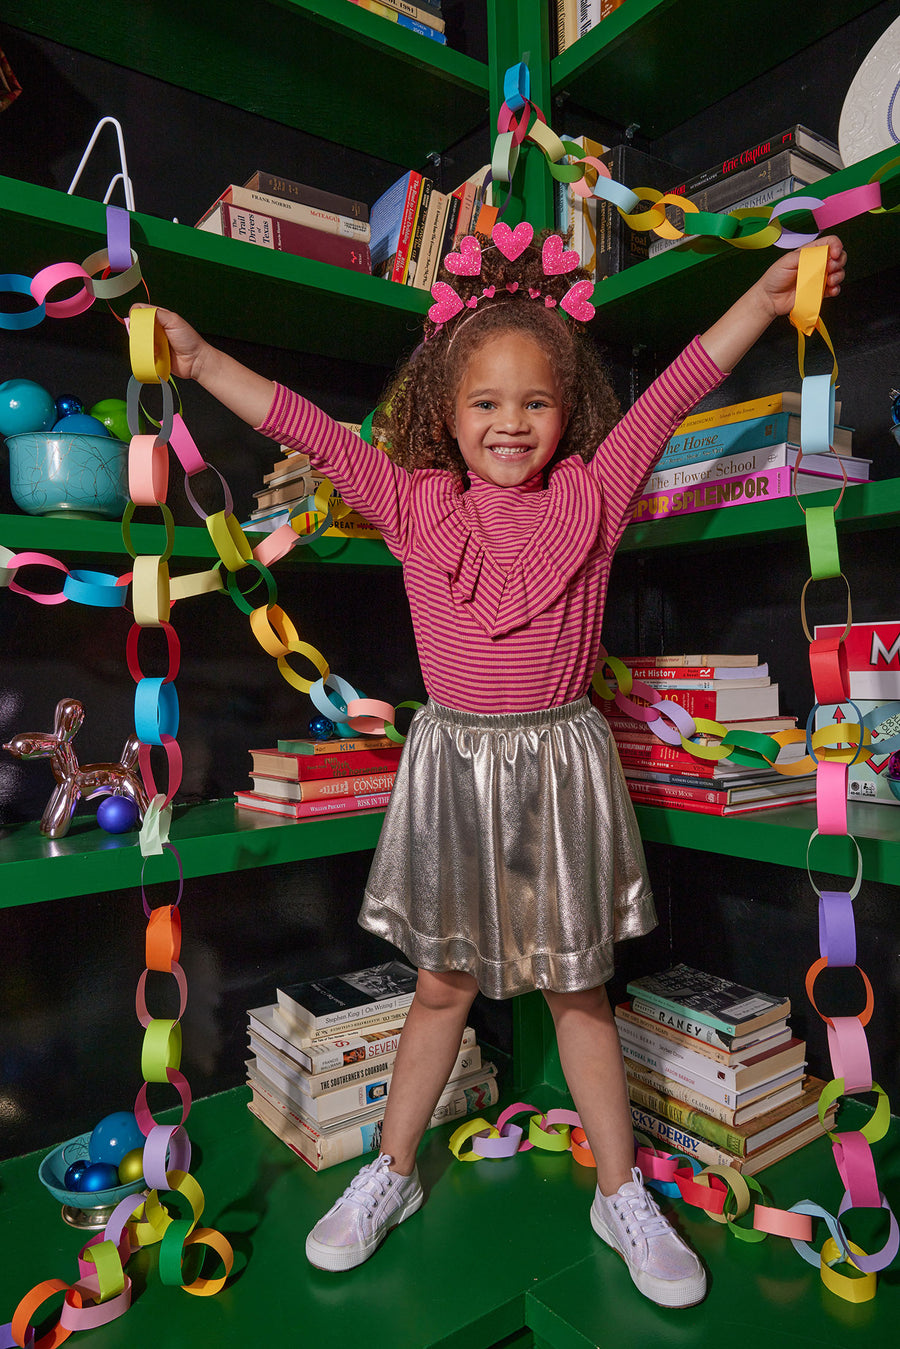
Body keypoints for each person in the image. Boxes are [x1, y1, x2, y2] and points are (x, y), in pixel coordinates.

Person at [153, 226, 845, 1308]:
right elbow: (305, 427)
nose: (511, 423)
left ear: (566, 411)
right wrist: (198, 364)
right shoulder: (412, 502)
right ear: (446, 409)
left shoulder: (597, 493)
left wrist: (762, 296)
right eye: (485, 402)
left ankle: (619, 1194)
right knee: (442, 984)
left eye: (534, 402)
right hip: (454, 770)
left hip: (562, 766)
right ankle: (389, 1172)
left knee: (581, 986)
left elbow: (676, 387)